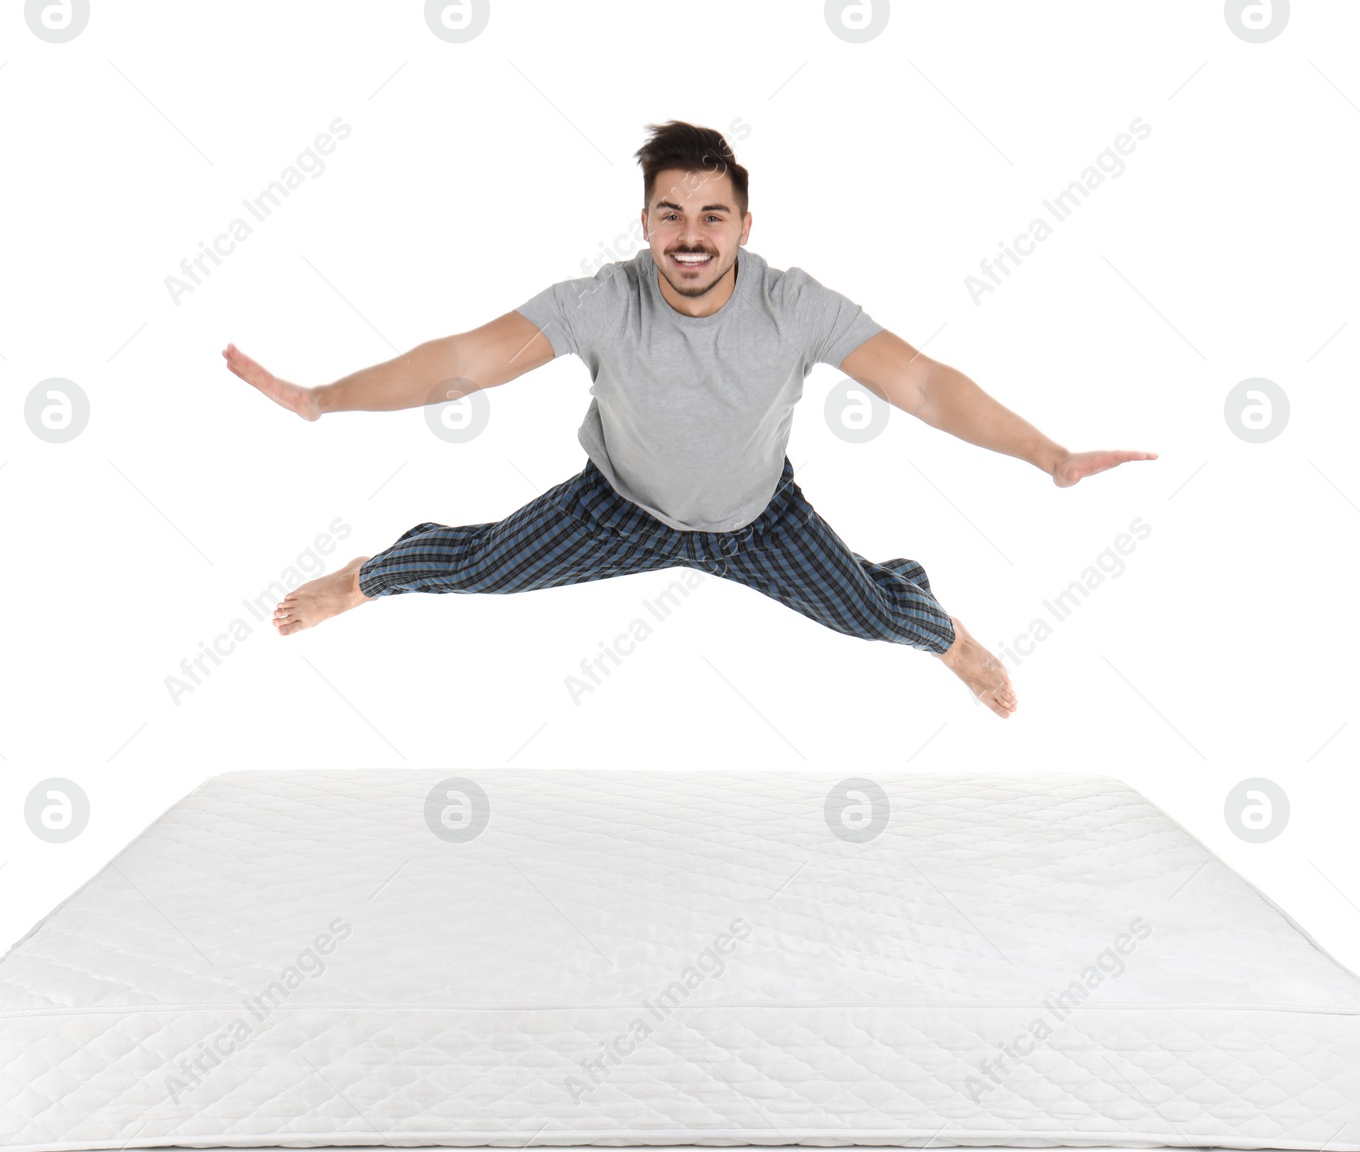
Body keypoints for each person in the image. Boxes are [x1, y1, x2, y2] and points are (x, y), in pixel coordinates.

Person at [222, 120, 1155, 718]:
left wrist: (1050, 454)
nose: (692, 235)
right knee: (468, 564)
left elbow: (922, 386)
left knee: (878, 612)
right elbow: (462, 362)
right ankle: (363, 577)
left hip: (759, 522)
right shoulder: (603, 302)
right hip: (616, 508)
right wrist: (319, 398)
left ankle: (953, 641)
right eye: (671, 214)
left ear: (746, 224)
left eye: (714, 214)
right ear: (645, 224)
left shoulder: (796, 305)